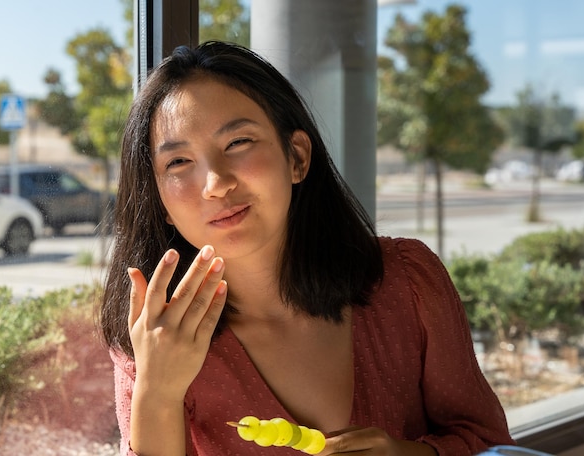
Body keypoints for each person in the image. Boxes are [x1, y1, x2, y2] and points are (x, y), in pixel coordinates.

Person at [100, 40, 515, 456]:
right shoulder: (153, 337)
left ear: (297, 156)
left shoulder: (407, 282)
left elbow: (489, 444)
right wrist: (157, 392)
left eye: (238, 143)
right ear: (161, 203)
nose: (216, 184)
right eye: (178, 163)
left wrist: (409, 454)